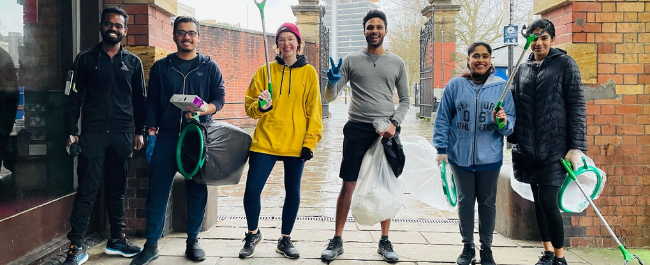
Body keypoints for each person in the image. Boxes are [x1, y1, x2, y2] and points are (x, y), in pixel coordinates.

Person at [130, 16, 226, 265]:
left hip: (197, 138)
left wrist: (205, 109)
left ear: (198, 37)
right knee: (158, 191)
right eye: (181, 33)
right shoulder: (162, 67)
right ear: (174, 36)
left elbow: (219, 100)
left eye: (191, 33)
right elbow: (151, 102)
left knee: (196, 190)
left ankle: (192, 241)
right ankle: (151, 245)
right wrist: (151, 133)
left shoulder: (209, 66)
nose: (187, 37)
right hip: (168, 137)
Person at [321, 9, 409, 264]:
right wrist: (330, 82)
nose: (375, 31)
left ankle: (384, 240)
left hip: (386, 130)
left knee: (384, 185)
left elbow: (405, 100)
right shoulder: (350, 60)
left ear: (385, 30)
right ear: (364, 30)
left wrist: (394, 123)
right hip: (357, 128)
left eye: (379, 27)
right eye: (370, 27)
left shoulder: (397, 63)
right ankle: (337, 239)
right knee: (348, 184)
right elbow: (331, 97)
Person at [63, 7, 145, 265]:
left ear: (125, 31)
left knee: (117, 189)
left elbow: (141, 101)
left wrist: (140, 130)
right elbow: (73, 98)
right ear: (102, 26)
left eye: (119, 26)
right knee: (87, 190)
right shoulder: (85, 59)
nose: (113, 28)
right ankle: (76, 245)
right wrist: (70, 132)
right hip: (92, 135)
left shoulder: (133, 62)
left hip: (122, 135)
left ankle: (117, 239)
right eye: (109, 24)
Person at [238, 22, 323, 260]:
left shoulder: (309, 73)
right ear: (276, 45)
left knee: (292, 192)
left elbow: (314, 111)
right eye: (282, 39)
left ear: (298, 43)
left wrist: (310, 142)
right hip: (265, 141)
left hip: (296, 143)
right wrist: (262, 106)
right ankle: (253, 233)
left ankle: (285, 239)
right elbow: (249, 107)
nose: (286, 43)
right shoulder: (265, 71)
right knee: (252, 189)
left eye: (290, 39)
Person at [508, 19, 587, 265]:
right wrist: (507, 128)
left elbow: (577, 106)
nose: (538, 42)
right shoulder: (522, 69)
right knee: (537, 203)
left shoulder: (565, 64)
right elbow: (515, 105)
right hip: (528, 149)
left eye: (544, 37)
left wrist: (576, 147)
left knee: (547, 201)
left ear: (552, 39)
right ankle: (547, 252)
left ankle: (560, 258)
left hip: (556, 148)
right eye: (534, 38)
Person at [433, 42, 515, 265]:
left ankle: (486, 248)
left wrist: (503, 122)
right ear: (468, 59)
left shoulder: (502, 87)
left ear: (490, 60)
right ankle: (468, 246)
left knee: (488, 204)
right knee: (465, 202)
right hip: (460, 156)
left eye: (485, 56)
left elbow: (510, 126)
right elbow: (442, 118)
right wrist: (441, 149)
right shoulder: (455, 86)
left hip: (490, 158)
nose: (481, 60)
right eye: (476, 56)